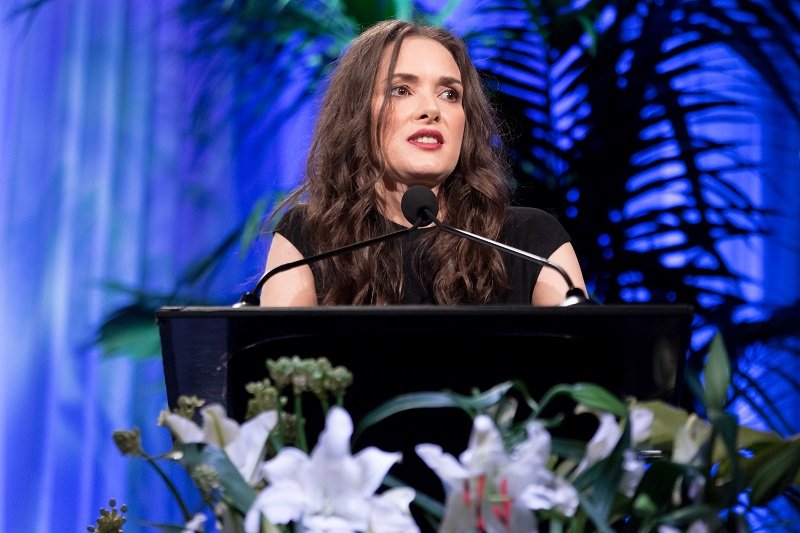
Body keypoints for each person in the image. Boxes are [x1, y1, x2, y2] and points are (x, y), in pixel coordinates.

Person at [259, 19, 587, 307]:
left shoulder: (531, 241)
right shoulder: (310, 237)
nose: (431, 109)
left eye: (450, 94)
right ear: (357, 116)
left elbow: (589, 367)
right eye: (401, 90)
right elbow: (273, 366)